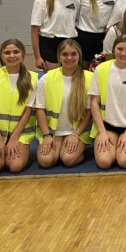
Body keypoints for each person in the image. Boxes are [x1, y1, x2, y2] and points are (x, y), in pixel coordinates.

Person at [0, 39, 38, 175]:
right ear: (1, 56)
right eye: (7, 53)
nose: (12, 56)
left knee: (15, 166)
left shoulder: (33, 78)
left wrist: (14, 138)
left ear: (23, 54)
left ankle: (17, 149)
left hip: (20, 133)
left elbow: (28, 112)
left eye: (16, 52)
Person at [88, 34, 126, 169]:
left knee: (124, 161)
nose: (123, 53)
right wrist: (102, 132)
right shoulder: (101, 69)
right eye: (120, 49)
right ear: (113, 50)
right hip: (107, 126)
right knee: (104, 162)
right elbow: (94, 103)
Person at [34, 40, 93, 168]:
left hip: (77, 131)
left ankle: (80, 150)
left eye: (73, 54)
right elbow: (40, 109)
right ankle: (60, 145)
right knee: (45, 161)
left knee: (68, 159)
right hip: (53, 131)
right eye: (65, 54)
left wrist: (76, 134)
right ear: (59, 57)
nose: (69, 58)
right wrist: (47, 135)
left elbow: (89, 113)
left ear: (79, 56)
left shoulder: (89, 78)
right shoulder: (47, 78)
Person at [31, 0, 80, 70]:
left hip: (70, 42)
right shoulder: (41, 2)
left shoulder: (75, 1)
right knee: (53, 77)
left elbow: (75, 21)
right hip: (49, 44)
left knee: (70, 76)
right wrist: (37, 57)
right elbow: (34, 31)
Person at [75, 0, 121, 66]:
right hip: (82, 36)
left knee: (99, 68)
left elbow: (114, 21)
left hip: (102, 38)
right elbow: (75, 14)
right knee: (82, 68)